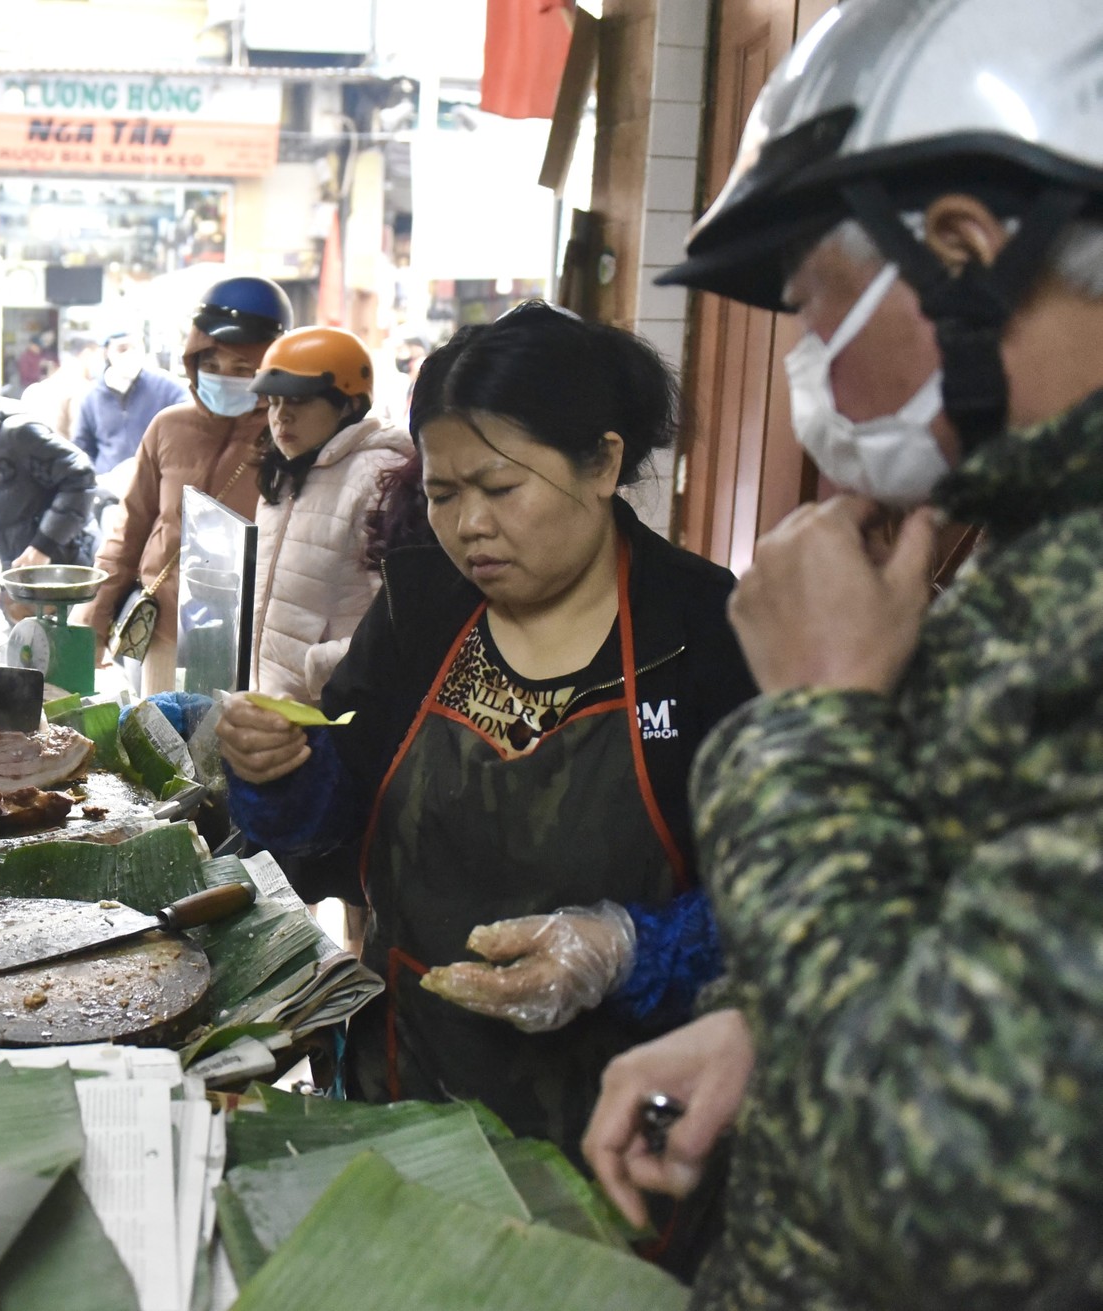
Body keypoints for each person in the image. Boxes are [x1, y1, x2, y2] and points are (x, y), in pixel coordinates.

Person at [581, 2, 1103, 1304]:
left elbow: (967, 1202)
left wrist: (811, 722)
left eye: (815, 304)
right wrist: (769, 1023)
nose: (804, 362)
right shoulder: (1027, 540)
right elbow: (1001, 994)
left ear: (964, 250)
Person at [216, 303, 757, 1168]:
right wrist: (278, 775)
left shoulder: (702, 630)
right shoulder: (422, 608)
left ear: (603, 464)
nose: (469, 525)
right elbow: (334, 824)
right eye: (442, 492)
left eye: (501, 490)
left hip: (629, 1139)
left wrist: (629, 948)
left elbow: (779, 904)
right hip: (407, 1096)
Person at [82, 277, 294, 694]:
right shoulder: (168, 426)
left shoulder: (287, 439)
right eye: (211, 366)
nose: (223, 378)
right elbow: (130, 529)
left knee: (219, 754)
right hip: (161, 631)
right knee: (154, 746)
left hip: (245, 644)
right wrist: (95, 618)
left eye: (242, 370)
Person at [245, 326, 412, 703]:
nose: (280, 417)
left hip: (337, 710)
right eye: (273, 402)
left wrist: (321, 667)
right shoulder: (283, 470)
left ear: (349, 405)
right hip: (272, 703)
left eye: (298, 402)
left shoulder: (378, 478)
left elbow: (401, 617)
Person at [0, 390, 100, 571]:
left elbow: (80, 475)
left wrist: (43, 546)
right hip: (23, 574)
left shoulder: (16, 435)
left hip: (69, 567)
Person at [72, 328, 188, 475]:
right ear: (107, 352)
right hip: (109, 489)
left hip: (155, 483)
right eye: (122, 349)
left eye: (136, 347)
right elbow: (82, 449)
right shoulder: (91, 398)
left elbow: (190, 427)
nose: (130, 354)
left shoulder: (167, 388)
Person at [19, 332, 100, 439]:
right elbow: (81, 439)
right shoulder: (83, 391)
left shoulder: (37, 389)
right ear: (87, 354)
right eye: (100, 356)